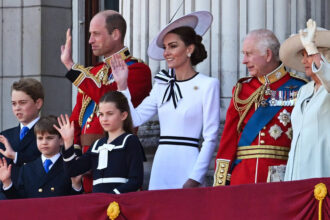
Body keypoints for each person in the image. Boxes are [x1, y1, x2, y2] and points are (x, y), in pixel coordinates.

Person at [112, 11, 220, 190]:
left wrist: (195, 177)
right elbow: (136, 119)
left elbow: (211, 137)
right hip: (162, 164)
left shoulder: (208, 85)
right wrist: (122, 85)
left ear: (189, 49)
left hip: (189, 163)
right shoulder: (162, 84)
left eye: (172, 46)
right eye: (165, 47)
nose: (167, 53)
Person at [60, 10, 152, 192]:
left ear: (116, 34)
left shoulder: (138, 70)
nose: (90, 41)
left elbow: (108, 98)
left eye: (96, 34)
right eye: (89, 35)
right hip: (87, 161)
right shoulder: (92, 73)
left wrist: (72, 67)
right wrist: (77, 154)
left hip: (118, 158)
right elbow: (77, 117)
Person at [213, 29, 307, 186]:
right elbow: (228, 141)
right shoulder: (242, 90)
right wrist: (220, 184)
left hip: (282, 180)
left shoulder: (299, 89)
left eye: (249, 54)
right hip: (242, 180)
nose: (244, 60)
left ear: (268, 55)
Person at [55, 91, 145, 194]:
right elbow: (72, 170)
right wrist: (68, 143)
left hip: (121, 203)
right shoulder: (97, 145)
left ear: (123, 115)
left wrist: (113, 195)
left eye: (109, 114)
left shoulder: (130, 141)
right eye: (101, 114)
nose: (104, 119)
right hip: (99, 203)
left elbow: (136, 180)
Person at [280, 19, 330, 181]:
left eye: (307, 55)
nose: (303, 61)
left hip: (321, 170)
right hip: (297, 174)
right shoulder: (304, 91)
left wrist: (312, 49)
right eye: (303, 55)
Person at [0, 116, 82, 199]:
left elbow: (75, 203)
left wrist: (76, 185)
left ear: (61, 140)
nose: (44, 142)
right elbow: (19, 203)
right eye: (40, 138)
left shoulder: (69, 166)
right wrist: (7, 182)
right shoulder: (27, 169)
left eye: (49, 138)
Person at [0, 78, 44, 199]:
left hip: (34, 198)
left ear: (38, 103)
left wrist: (16, 156)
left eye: (22, 102)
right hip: (5, 199)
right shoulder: (5, 136)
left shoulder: (48, 132)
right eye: (14, 103)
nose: (17, 108)